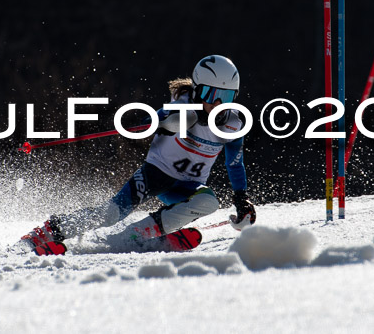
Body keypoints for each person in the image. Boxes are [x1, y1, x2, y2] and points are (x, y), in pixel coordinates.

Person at [21, 55, 256, 255]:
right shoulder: (180, 106)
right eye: (210, 94)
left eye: (225, 97)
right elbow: (145, 123)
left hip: (186, 187)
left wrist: (240, 197)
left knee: (209, 202)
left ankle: (136, 235)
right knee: (112, 213)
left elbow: (235, 163)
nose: (217, 104)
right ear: (197, 90)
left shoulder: (233, 124)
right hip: (154, 174)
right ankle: (47, 232)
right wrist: (164, 123)